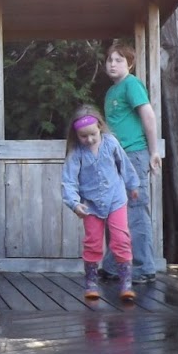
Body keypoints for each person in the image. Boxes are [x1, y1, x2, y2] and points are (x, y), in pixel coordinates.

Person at [62, 105, 139, 301]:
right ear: (76, 135)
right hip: (91, 205)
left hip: (116, 199)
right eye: (83, 136)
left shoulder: (111, 143)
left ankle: (126, 284)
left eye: (93, 135)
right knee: (93, 242)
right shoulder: (76, 153)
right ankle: (91, 283)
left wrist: (133, 185)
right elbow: (69, 180)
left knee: (121, 239)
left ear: (100, 127)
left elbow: (124, 165)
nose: (89, 140)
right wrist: (74, 203)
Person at [103, 40, 162, 284]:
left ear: (130, 63)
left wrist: (154, 151)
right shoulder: (111, 91)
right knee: (113, 209)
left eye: (119, 60)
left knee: (136, 211)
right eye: (110, 60)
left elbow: (148, 115)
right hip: (114, 158)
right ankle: (114, 265)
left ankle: (144, 267)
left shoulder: (132, 84)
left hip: (134, 156)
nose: (113, 64)